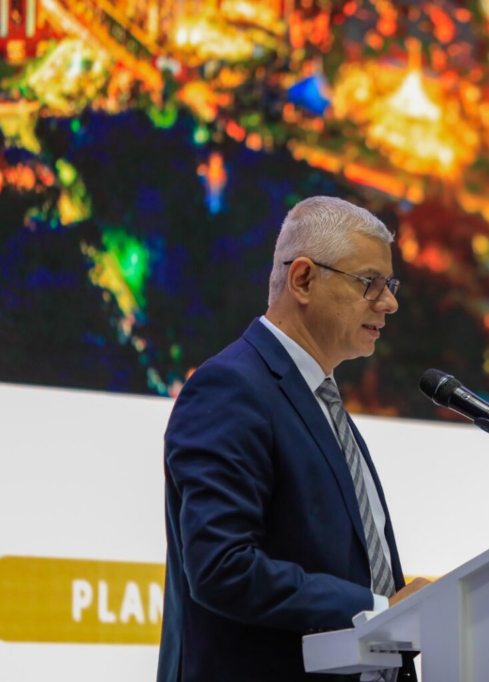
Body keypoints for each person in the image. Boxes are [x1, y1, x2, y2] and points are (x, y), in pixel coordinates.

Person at [157, 196, 429, 682]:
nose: (389, 303)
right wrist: (377, 610)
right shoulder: (232, 387)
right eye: (370, 282)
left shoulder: (318, 398)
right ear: (303, 279)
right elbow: (222, 566)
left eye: (390, 286)